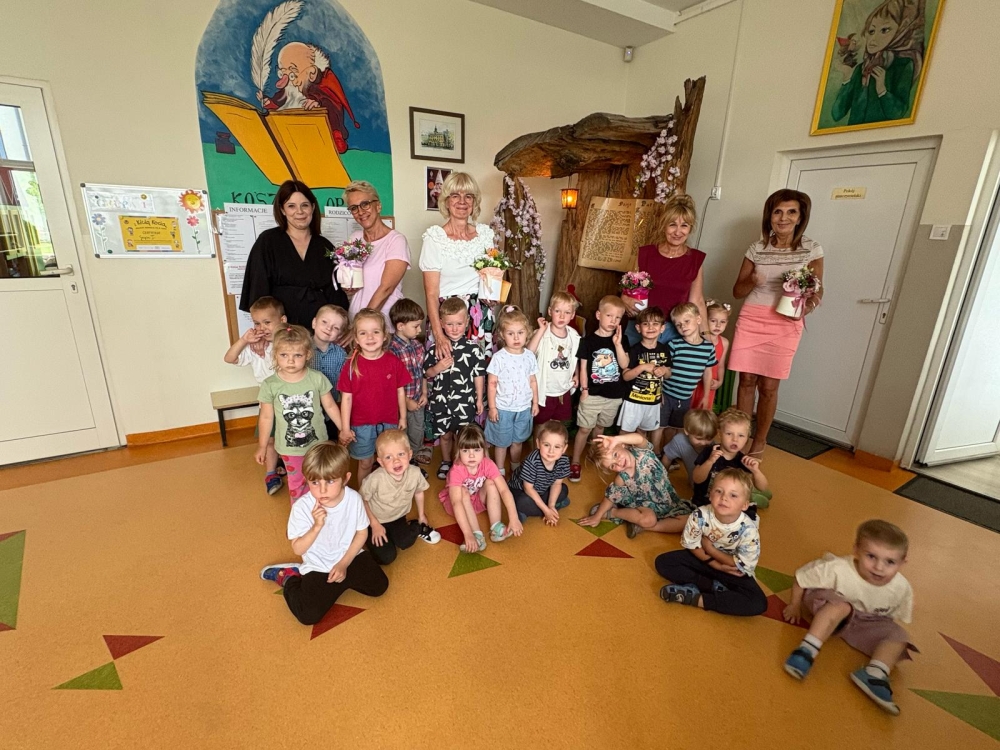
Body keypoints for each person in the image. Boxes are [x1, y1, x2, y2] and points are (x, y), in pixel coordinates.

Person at [782, 519, 916, 716]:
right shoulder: (838, 568)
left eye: (890, 562)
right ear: (856, 551)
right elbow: (801, 579)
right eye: (871, 556)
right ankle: (806, 650)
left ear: (903, 563)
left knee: (900, 637)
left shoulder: (902, 588)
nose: (879, 567)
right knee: (841, 607)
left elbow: (889, 619)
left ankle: (875, 673)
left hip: (865, 619)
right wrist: (794, 605)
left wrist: (879, 634)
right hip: (830, 605)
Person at [730, 189, 824, 456]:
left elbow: (818, 290)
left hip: (785, 321)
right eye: (777, 212)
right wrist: (753, 281)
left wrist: (807, 307)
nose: (783, 218)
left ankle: (759, 442)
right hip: (752, 317)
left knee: (769, 386)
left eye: (791, 212)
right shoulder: (756, 248)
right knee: (746, 380)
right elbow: (737, 291)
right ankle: (739, 439)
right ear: (769, 216)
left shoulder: (812, 249)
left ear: (800, 217)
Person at [260, 442, 388, 626]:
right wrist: (316, 527)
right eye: (314, 482)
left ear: (345, 478)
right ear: (307, 479)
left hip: (348, 557)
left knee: (380, 586)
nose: (322, 490)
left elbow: (361, 533)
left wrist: (343, 564)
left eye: (330, 481)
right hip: (319, 565)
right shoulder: (302, 507)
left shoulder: (354, 499)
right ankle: (289, 578)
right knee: (308, 615)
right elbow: (298, 548)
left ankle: (340, 581)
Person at [654, 469, 767, 617]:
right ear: (711, 494)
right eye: (719, 491)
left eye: (733, 495)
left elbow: (740, 564)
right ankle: (712, 587)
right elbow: (692, 545)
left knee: (758, 602)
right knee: (664, 562)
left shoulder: (749, 530)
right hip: (704, 559)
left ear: (745, 505)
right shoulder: (699, 515)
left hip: (732, 570)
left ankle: (700, 599)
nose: (724, 498)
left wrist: (711, 549)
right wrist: (714, 564)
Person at [239, 180, 348, 327]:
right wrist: (263, 330)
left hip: (320, 331)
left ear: (313, 207)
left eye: (305, 205)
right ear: (282, 210)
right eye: (291, 206)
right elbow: (258, 293)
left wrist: (339, 328)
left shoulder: (325, 246)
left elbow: (335, 295)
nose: (299, 212)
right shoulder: (268, 241)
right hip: (282, 332)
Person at [256, 326, 344, 502]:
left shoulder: (317, 378)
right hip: (289, 449)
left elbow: (330, 406)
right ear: (275, 355)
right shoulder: (270, 385)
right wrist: (262, 445)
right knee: (297, 484)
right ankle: (300, 515)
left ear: (308, 355)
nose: (291, 361)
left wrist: (344, 429)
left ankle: (323, 511)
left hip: (318, 444)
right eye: (284, 355)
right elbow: (266, 417)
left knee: (322, 480)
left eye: (297, 355)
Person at [419, 172, 497, 358]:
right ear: (446, 201)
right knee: (448, 370)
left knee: (481, 370)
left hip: (480, 315)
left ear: (474, 202)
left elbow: (492, 277)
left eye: (468, 196)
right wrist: (439, 335)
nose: (462, 201)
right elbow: (431, 294)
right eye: (455, 195)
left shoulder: (485, 235)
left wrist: (493, 296)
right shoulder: (435, 238)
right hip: (448, 316)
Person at [337, 308, 410, 484]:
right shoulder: (350, 366)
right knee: (366, 463)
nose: (370, 337)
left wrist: (403, 417)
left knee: (390, 461)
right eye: (363, 333)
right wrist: (345, 428)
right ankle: (364, 495)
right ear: (356, 338)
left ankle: (388, 493)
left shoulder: (393, 361)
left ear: (384, 335)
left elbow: (400, 391)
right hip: (361, 425)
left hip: (389, 422)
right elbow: (346, 399)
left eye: (375, 332)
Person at [622, 194, 707, 345]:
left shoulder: (695, 259)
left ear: (690, 228)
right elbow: (629, 290)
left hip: (676, 331)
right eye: (672, 224)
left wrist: (706, 335)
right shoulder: (645, 254)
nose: (677, 232)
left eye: (684, 225)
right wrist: (624, 298)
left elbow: (697, 301)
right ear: (663, 225)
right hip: (642, 327)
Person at [224, 296, 286, 495]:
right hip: (268, 403)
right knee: (270, 439)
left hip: (289, 399)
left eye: (267, 322)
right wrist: (245, 340)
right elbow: (229, 358)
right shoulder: (253, 347)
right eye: (257, 323)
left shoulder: (288, 342)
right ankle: (271, 473)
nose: (262, 328)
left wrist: (276, 339)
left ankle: (289, 465)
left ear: (282, 320)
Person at [578, 433, 694, 538]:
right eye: (613, 466)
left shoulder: (642, 452)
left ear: (622, 445)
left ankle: (641, 526)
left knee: (687, 521)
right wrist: (597, 516)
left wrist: (616, 438)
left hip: (669, 502)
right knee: (649, 520)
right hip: (645, 505)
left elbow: (639, 439)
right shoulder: (622, 478)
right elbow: (610, 497)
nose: (618, 462)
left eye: (615, 454)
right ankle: (613, 513)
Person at [831, 0, 924, 127]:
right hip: (853, 138)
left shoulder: (903, 65)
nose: (873, 39)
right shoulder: (860, 69)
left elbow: (898, 113)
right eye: (871, 31)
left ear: (900, 31)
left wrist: (882, 90)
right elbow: (837, 114)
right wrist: (847, 78)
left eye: (884, 30)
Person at [423, 297, 486, 481]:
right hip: (441, 402)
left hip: (465, 402)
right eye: (450, 324)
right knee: (444, 436)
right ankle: (446, 461)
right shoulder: (435, 348)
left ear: (467, 322)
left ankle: (460, 464)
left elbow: (479, 375)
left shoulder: (474, 350)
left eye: (459, 323)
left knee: (462, 436)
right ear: (441, 323)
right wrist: (438, 368)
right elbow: (426, 373)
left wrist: (479, 399)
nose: (455, 328)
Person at [569, 295, 629, 482]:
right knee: (584, 429)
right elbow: (583, 367)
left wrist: (617, 345)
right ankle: (575, 461)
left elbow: (624, 364)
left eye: (617, 317)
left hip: (613, 396)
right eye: (609, 315)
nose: (613, 321)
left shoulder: (622, 339)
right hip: (592, 394)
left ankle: (596, 454)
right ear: (598, 315)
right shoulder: (588, 341)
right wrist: (584, 390)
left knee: (600, 428)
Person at [359, 429, 440, 566]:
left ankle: (415, 525)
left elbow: (419, 492)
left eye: (401, 454)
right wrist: (374, 524)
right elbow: (362, 500)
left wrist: (421, 515)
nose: (396, 461)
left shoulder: (415, 473)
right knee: (387, 557)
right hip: (374, 520)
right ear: (381, 462)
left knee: (406, 542)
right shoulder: (375, 479)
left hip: (398, 517)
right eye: (388, 457)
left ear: (409, 455)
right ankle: (366, 535)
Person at [439, 424, 523, 553]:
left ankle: (496, 527)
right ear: (458, 451)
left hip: (476, 500)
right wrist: (468, 534)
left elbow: (504, 490)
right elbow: (456, 503)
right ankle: (476, 534)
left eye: (476, 450)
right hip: (457, 504)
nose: (471, 455)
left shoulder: (487, 463)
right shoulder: (457, 470)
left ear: (484, 450)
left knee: (491, 483)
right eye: (465, 451)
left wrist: (514, 518)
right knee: (463, 491)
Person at [342, 181, 410, 322]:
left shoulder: (396, 240)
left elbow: (386, 288)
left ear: (378, 206)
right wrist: (348, 286)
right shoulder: (354, 238)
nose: (360, 212)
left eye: (365, 204)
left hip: (382, 322)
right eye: (354, 208)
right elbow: (350, 280)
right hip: (355, 317)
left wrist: (362, 322)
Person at [486, 306, 539, 476]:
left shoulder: (529, 356)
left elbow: (532, 380)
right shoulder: (499, 358)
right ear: (502, 335)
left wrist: (535, 402)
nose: (516, 338)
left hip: (523, 408)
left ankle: (515, 466)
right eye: (511, 333)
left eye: (520, 333)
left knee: (518, 441)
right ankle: (499, 469)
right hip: (503, 408)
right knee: (501, 442)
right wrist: (492, 407)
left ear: (527, 333)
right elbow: (492, 384)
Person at [691, 407, 771, 511]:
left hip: (729, 506)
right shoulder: (710, 452)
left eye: (741, 435)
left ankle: (753, 496)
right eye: (729, 434)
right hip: (705, 503)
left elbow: (763, 487)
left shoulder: (743, 460)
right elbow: (696, 479)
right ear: (720, 434)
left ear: (747, 438)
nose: (735, 439)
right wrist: (710, 461)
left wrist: (756, 471)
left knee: (748, 514)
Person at [661, 303, 717, 444]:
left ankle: (674, 451)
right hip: (666, 394)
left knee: (679, 427)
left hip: (685, 397)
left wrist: (706, 396)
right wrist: (658, 392)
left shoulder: (708, 348)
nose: (683, 326)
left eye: (687, 321)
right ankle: (662, 451)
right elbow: (663, 369)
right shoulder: (674, 344)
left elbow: (707, 372)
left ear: (698, 319)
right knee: (662, 426)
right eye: (678, 324)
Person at [527, 291, 581, 437]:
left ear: (572, 315)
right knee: (541, 424)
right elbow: (529, 352)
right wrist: (541, 330)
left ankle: (554, 447)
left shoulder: (574, 336)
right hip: (545, 390)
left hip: (563, 389)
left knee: (558, 424)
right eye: (557, 311)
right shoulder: (543, 333)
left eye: (567, 312)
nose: (562, 316)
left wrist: (576, 374)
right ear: (550, 311)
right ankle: (537, 449)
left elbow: (574, 357)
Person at [618, 306, 671, 452]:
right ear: (638, 328)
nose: (651, 327)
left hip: (653, 401)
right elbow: (626, 376)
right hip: (633, 401)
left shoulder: (664, 349)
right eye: (646, 324)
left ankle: (640, 459)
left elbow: (669, 374)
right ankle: (620, 455)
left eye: (655, 324)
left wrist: (664, 370)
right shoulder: (634, 350)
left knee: (643, 432)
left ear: (662, 328)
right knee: (625, 431)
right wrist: (642, 367)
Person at [388, 298, 432, 465]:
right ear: (400, 326)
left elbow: (422, 372)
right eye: (416, 326)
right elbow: (390, 383)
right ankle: (400, 461)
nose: (419, 330)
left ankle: (413, 460)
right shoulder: (391, 350)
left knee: (417, 430)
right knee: (400, 433)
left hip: (417, 400)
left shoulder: (418, 346)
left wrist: (424, 393)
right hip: (398, 403)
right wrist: (406, 401)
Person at [508, 420, 571, 526]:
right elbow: (528, 489)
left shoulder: (564, 460)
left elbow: (557, 484)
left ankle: (547, 508)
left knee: (564, 489)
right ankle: (532, 511)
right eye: (546, 445)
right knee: (522, 502)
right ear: (538, 443)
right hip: (521, 490)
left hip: (542, 489)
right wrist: (546, 510)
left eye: (557, 447)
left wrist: (551, 506)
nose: (551, 451)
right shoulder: (532, 461)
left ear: (564, 448)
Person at [311, 304, 349, 442]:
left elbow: (343, 385)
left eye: (335, 328)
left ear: (339, 334)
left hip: (330, 411)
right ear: (314, 322)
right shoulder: (302, 349)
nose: (329, 328)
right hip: (307, 409)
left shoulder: (340, 354)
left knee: (329, 444)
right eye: (324, 322)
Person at [689, 300, 731, 412]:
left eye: (722, 322)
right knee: (690, 411)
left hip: (710, 384)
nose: (718, 325)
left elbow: (720, 365)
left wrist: (720, 381)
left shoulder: (724, 342)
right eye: (713, 321)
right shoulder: (698, 339)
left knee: (704, 411)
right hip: (694, 383)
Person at [662, 409, 718, 488]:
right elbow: (667, 458)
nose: (703, 443)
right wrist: (663, 478)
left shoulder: (714, 447)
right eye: (699, 439)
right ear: (687, 431)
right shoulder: (679, 441)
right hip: (694, 484)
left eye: (709, 439)